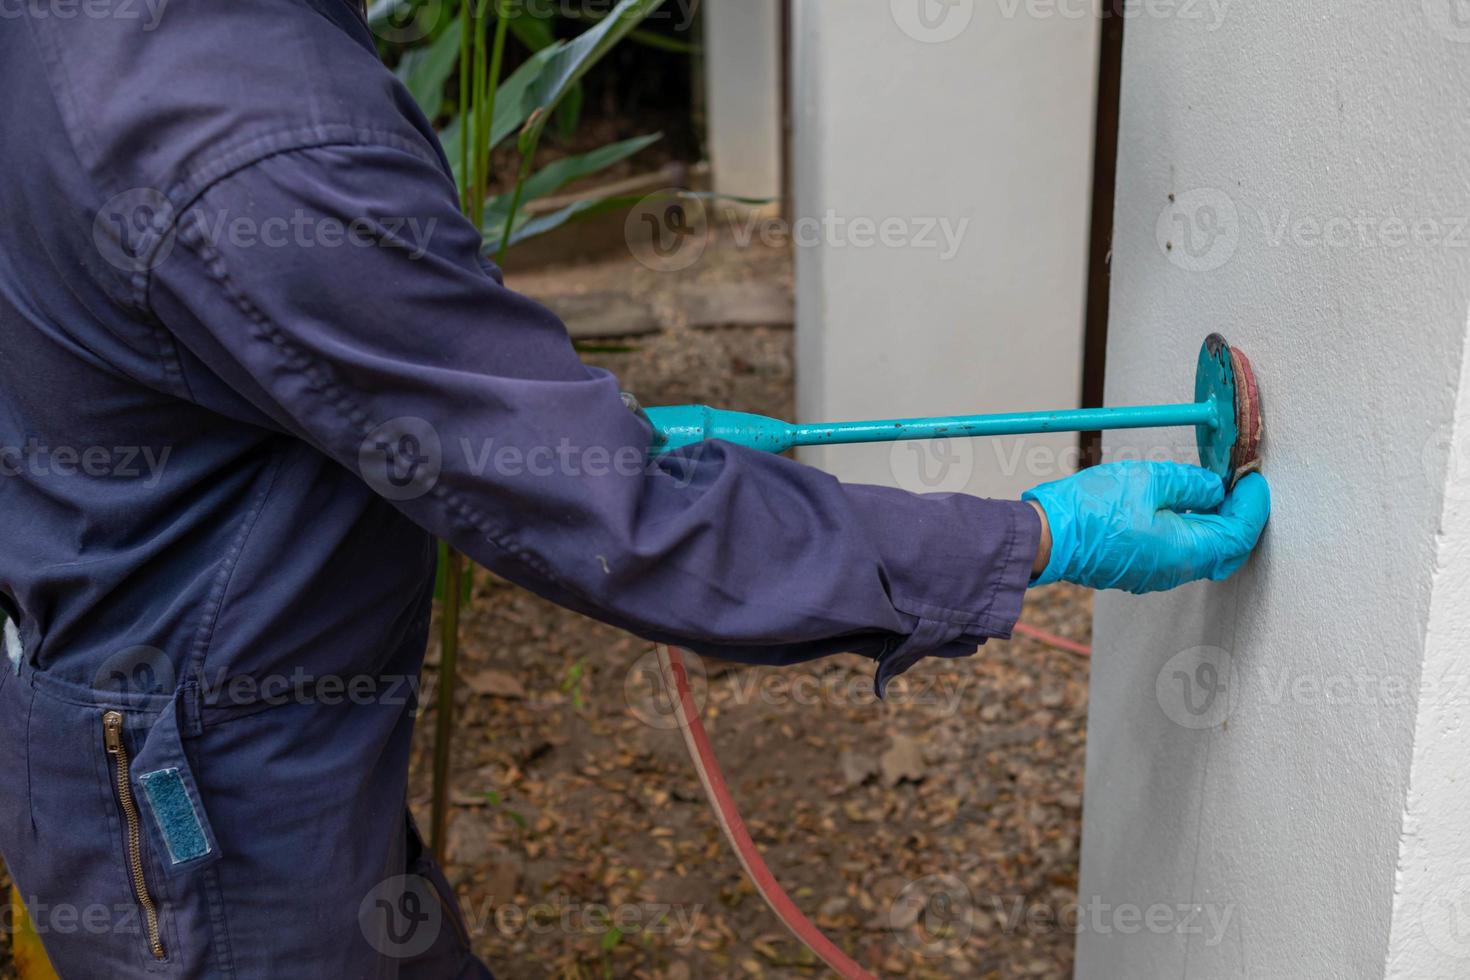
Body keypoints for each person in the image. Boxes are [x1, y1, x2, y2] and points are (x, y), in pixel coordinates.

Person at [0, 1, 1270, 976]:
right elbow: (632, 522)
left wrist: (485, 412)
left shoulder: (115, 46)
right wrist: (1040, 533)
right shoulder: (243, 133)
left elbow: (214, 359)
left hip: (173, 746)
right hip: (206, 816)